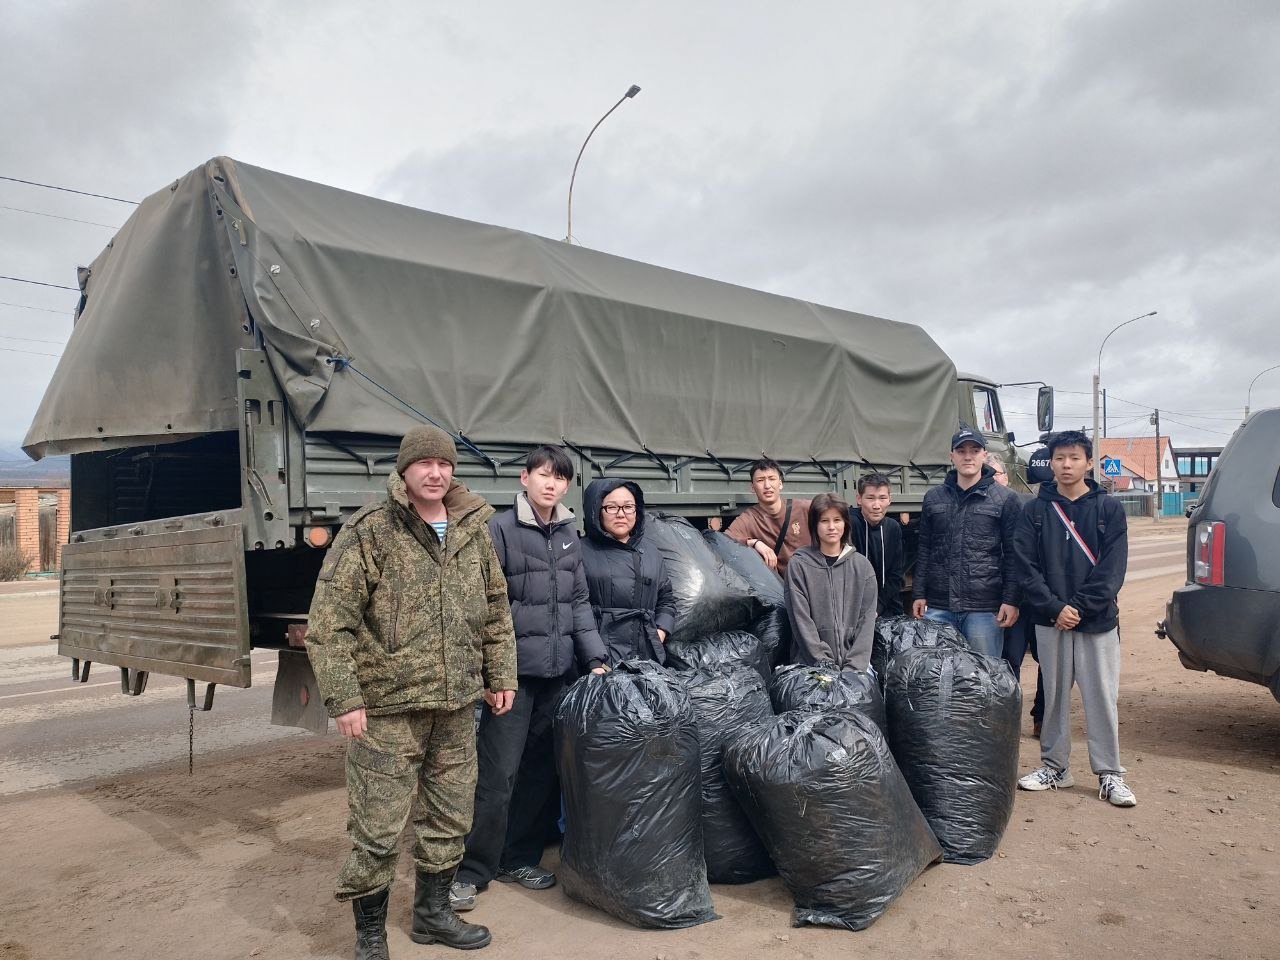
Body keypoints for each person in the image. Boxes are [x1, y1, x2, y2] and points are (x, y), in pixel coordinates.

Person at [306, 425, 518, 957]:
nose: (435, 473)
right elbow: (329, 625)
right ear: (404, 471)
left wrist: (501, 676)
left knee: (449, 815)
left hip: (455, 703)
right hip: (387, 708)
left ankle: (433, 915)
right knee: (377, 824)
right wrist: (345, 699)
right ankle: (371, 934)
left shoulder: (471, 530)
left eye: (444, 465)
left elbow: (495, 611)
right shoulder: (371, 532)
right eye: (424, 464)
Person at [455, 446, 608, 907]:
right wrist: (491, 672)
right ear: (524, 478)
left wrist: (595, 657)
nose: (550, 484)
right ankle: (472, 868)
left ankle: (517, 857)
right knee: (498, 774)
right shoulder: (499, 530)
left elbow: (578, 601)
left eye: (560, 479)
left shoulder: (567, 531)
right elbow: (484, 607)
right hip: (512, 677)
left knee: (540, 772)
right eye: (543, 475)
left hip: (556, 674)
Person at [1015, 430, 1136, 806]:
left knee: (1101, 696)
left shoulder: (1108, 508)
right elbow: (1024, 566)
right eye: (1059, 458)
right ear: (1050, 463)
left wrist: (1078, 608)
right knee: (1052, 696)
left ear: (1088, 462)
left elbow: (1112, 571)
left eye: (1074, 458)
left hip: (1097, 621)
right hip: (1050, 619)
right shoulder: (1034, 509)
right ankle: (1055, 767)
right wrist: (1054, 608)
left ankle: (1109, 772)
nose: (1066, 465)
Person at [911, 426, 1022, 658]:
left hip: (984, 608)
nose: (968, 456)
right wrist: (919, 593)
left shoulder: (1005, 499)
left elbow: (1014, 555)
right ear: (951, 456)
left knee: (984, 678)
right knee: (939, 677)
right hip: (939, 606)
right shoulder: (934, 498)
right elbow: (924, 549)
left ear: (984, 455)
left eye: (974, 450)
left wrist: (1011, 599)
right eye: (961, 450)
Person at [580, 478, 677, 665]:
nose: (621, 514)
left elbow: (667, 600)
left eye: (628, 507)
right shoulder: (581, 551)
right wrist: (592, 657)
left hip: (646, 654)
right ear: (596, 511)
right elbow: (575, 609)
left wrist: (660, 632)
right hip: (600, 656)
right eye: (612, 507)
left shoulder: (651, 552)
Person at [784, 493, 879, 670]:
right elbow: (801, 621)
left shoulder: (862, 566)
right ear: (814, 525)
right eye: (824, 521)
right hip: (811, 668)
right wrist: (824, 663)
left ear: (845, 524)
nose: (832, 527)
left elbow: (866, 623)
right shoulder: (799, 565)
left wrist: (854, 669)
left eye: (837, 520)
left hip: (855, 668)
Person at [990, 455, 1045, 736]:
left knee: (1045, 659)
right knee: (1008, 660)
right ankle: (1008, 720)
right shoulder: (983, 511)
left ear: (1006, 476)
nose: (993, 477)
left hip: (1037, 598)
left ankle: (1041, 717)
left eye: (997, 472)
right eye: (988, 473)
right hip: (1008, 599)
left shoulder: (1028, 505)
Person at [726, 458, 813, 577]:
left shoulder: (805, 508)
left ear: (780, 484)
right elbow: (725, 540)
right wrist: (754, 542)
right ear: (752, 487)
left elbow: (835, 516)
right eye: (760, 480)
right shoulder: (750, 518)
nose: (767, 485)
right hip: (781, 587)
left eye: (772, 479)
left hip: (812, 580)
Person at [849, 472, 906, 617]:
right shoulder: (850, 523)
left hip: (886, 605)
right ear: (859, 499)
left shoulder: (893, 528)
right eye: (870, 498)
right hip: (854, 608)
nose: (876, 505)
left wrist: (877, 608)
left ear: (889, 500)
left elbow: (896, 574)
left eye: (882, 498)